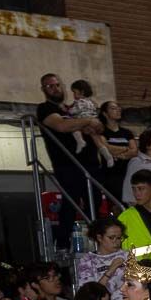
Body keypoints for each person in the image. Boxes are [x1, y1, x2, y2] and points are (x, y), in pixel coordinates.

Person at [36, 73, 103, 248]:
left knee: (94, 203)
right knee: (70, 202)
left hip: (89, 162)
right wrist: (88, 120)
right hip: (66, 164)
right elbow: (62, 126)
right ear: (43, 90)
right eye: (50, 86)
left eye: (57, 85)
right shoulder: (45, 108)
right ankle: (63, 244)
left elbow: (98, 128)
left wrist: (91, 123)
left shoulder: (71, 109)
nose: (55, 88)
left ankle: (98, 243)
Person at [75, 215, 131, 300]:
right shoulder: (88, 261)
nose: (116, 242)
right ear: (99, 238)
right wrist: (111, 269)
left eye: (119, 238)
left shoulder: (127, 256)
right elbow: (89, 295)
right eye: (111, 238)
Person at [67, 79, 113, 169]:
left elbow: (74, 111)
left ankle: (80, 141)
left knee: (74, 129)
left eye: (75, 92)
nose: (74, 95)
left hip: (83, 121)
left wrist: (69, 110)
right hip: (93, 121)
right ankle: (108, 156)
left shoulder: (79, 102)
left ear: (82, 92)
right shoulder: (91, 102)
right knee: (97, 141)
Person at [98, 100, 137, 201]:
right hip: (111, 175)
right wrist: (126, 148)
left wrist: (121, 155)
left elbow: (134, 151)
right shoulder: (102, 131)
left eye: (118, 108)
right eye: (113, 108)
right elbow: (106, 148)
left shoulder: (127, 132)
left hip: (129, 173)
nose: (118, 110)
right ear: (105, 113)